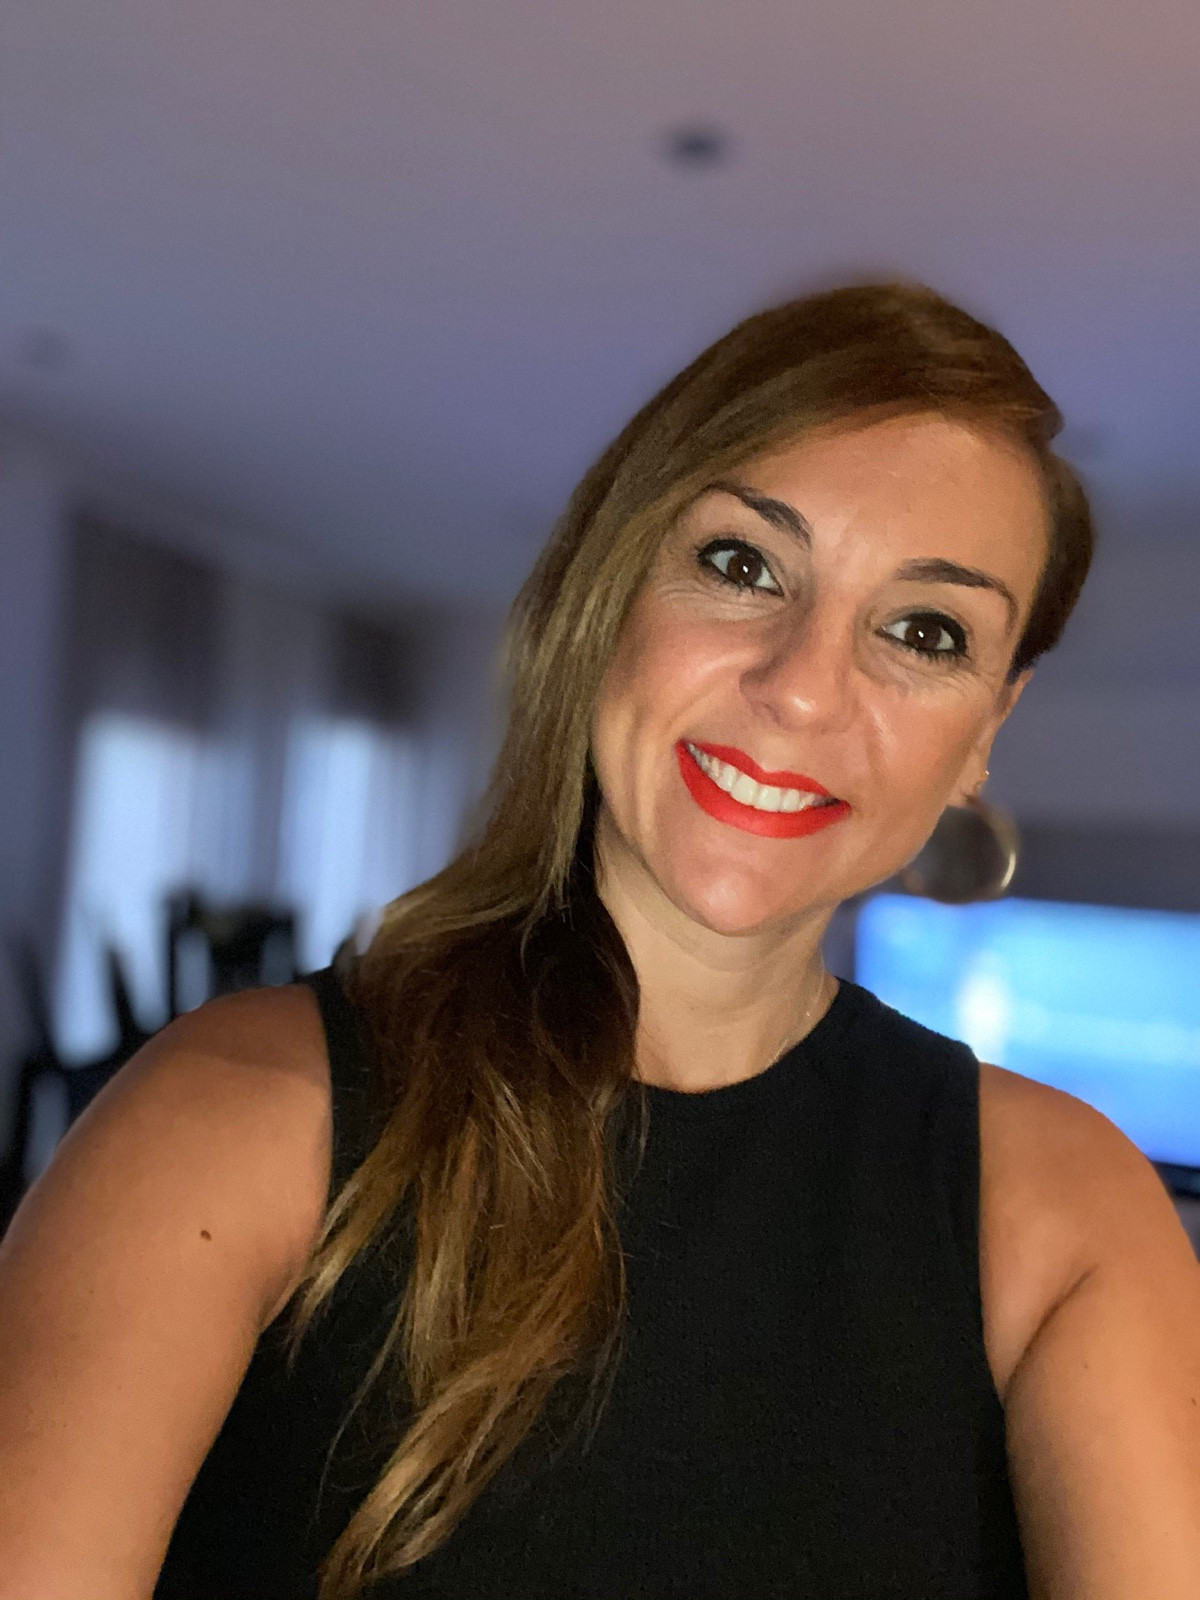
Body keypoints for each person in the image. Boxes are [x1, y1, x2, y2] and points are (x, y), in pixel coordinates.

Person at [1, 282, 1198, 1600]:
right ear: (608, 587)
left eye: (925, 632)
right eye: (743, 565)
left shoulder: (1067, 1217)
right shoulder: (229, 1119)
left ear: (984, 730)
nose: (803, 688)